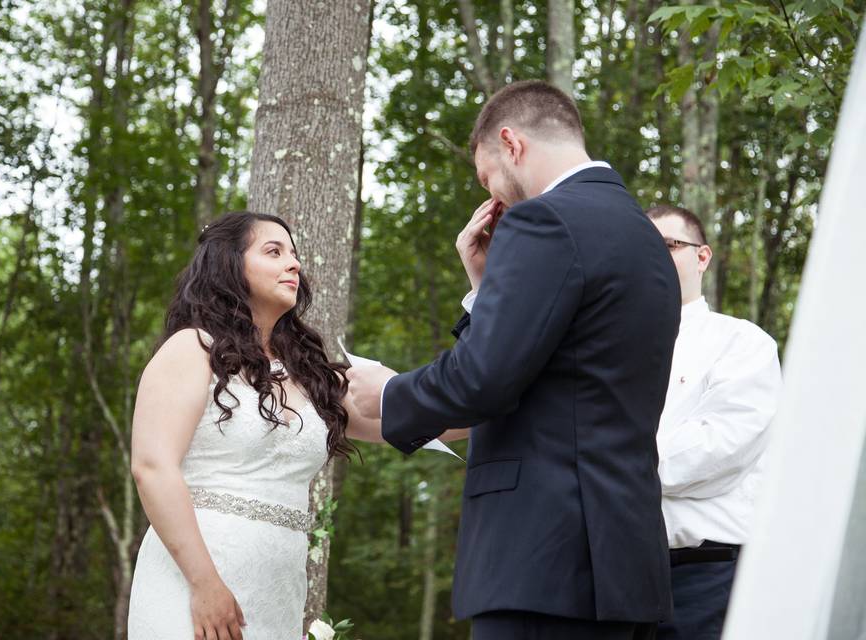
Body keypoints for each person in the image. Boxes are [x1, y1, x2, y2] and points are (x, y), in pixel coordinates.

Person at [347, 80, 680, 639]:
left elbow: (483, 381)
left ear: (511, 143)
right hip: (622, 562)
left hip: (543, 557)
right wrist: (486, 288)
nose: (494, 197)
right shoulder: (645, 240)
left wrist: (386, 392)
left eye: (486, 177)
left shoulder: (544, 220)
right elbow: (561, 367)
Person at [126, 212, 385, 640]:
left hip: (277, 594)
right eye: (274, 251)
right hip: (193, 588)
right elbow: (152, 467)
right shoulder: (191, 348)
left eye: (294, 254)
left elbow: (427, 416)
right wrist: (205, 584)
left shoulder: (311, 377)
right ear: (229, 265)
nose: (294, 264)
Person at [646, 204, 782, 640]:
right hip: (615, 577)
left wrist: (608, 468)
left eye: (668, 245)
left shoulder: (741, 342)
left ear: (701, 257)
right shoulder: (603, 349)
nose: (653, 256)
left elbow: (718, 450)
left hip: (704, 575)